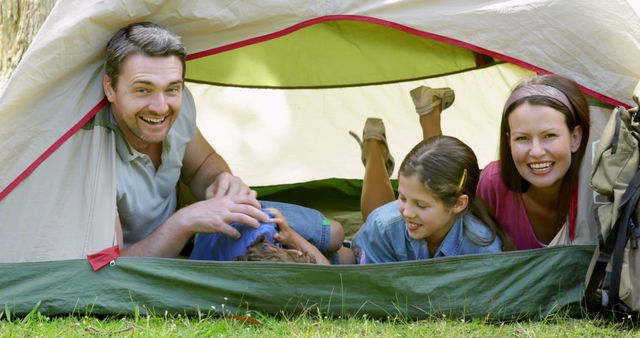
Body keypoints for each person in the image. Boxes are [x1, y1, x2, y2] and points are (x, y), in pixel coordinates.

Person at [102, 22, 345, 258]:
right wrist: (183, 222)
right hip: (155, 255)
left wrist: (220, 181)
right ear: (110, 88)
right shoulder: (92, 158)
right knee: (274, 249)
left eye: (172, 89)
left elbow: (202, 164)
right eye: (143, 90)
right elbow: (112, 269)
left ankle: (346, 257)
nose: (160, 106)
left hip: (197, 233)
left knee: (334, 233)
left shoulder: (178, 107)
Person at [348, 87, 506, 264]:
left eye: (421, 205)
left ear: (459, 204)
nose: (407, 212)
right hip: (371, 244)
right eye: (401, 197)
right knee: (378, 220)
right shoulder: (382, 225)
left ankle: (374, 147)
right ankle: (374, 149)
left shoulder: (482, 247)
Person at [476, 75, 591, 250]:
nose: (536, 152)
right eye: (522, 138)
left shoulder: (599, 186)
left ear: (575, 138)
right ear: (509, 142)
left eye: (549, 136)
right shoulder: (493, 183)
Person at [191, 208, 331, 265]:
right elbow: (329, 272)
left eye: (300, 253)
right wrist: (293, 238)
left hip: (219, 213)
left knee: (334, 234)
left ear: (272, 249)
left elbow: (273, 212)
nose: (299, 250)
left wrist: (287, 232)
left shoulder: (263, 230)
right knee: (344, 256)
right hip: (198, 245)